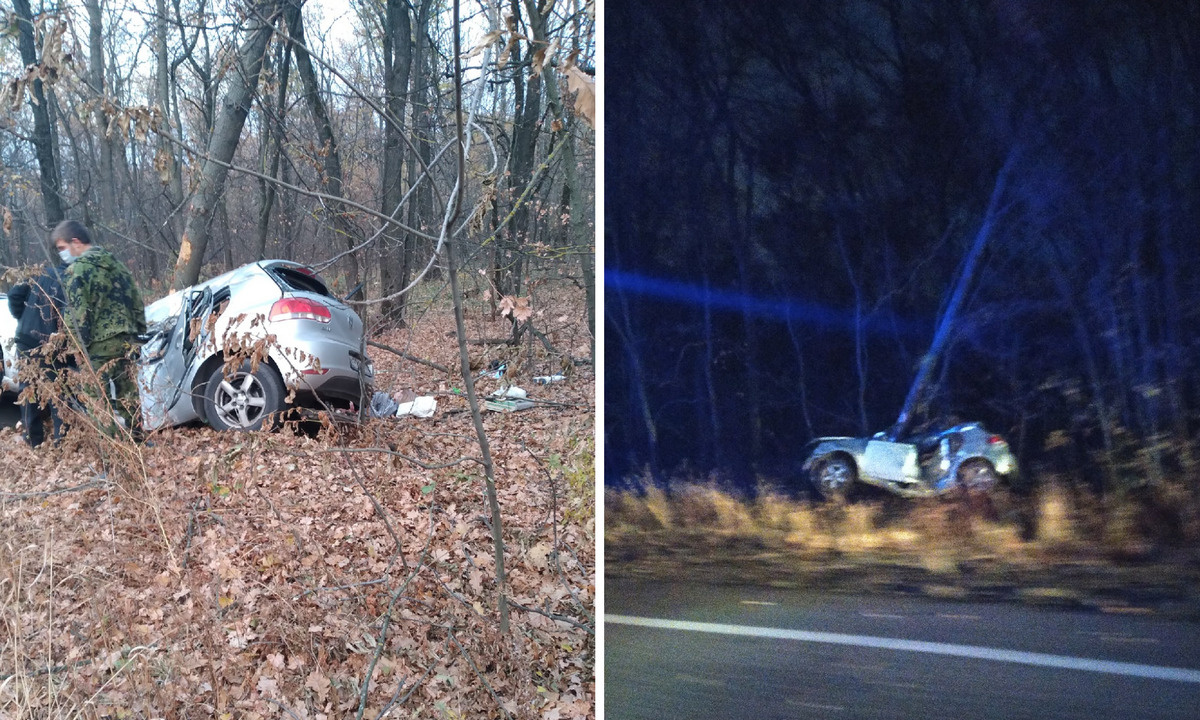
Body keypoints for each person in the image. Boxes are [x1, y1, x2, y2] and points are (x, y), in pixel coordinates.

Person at [54, 220, 147, 437]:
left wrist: (75, 348)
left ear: (75, 242)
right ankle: (139, 441)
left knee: (97, 399)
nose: (61, 254)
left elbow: (77, 316)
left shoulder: (76, 271)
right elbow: (135, 299)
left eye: (62, 248)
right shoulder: (115, 263)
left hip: (97, 346)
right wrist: (138, 332)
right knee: (128, 392)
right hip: (126, 340)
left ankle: (111, 454)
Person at [7, 251, 69, 447]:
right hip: (49, 343)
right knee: (57, 391)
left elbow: (14, 295)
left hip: (25, 339)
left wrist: (23, 318)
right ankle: (62, 442)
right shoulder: (70, 281)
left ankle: (33, 439)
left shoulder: (39, 274)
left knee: (28, 390)